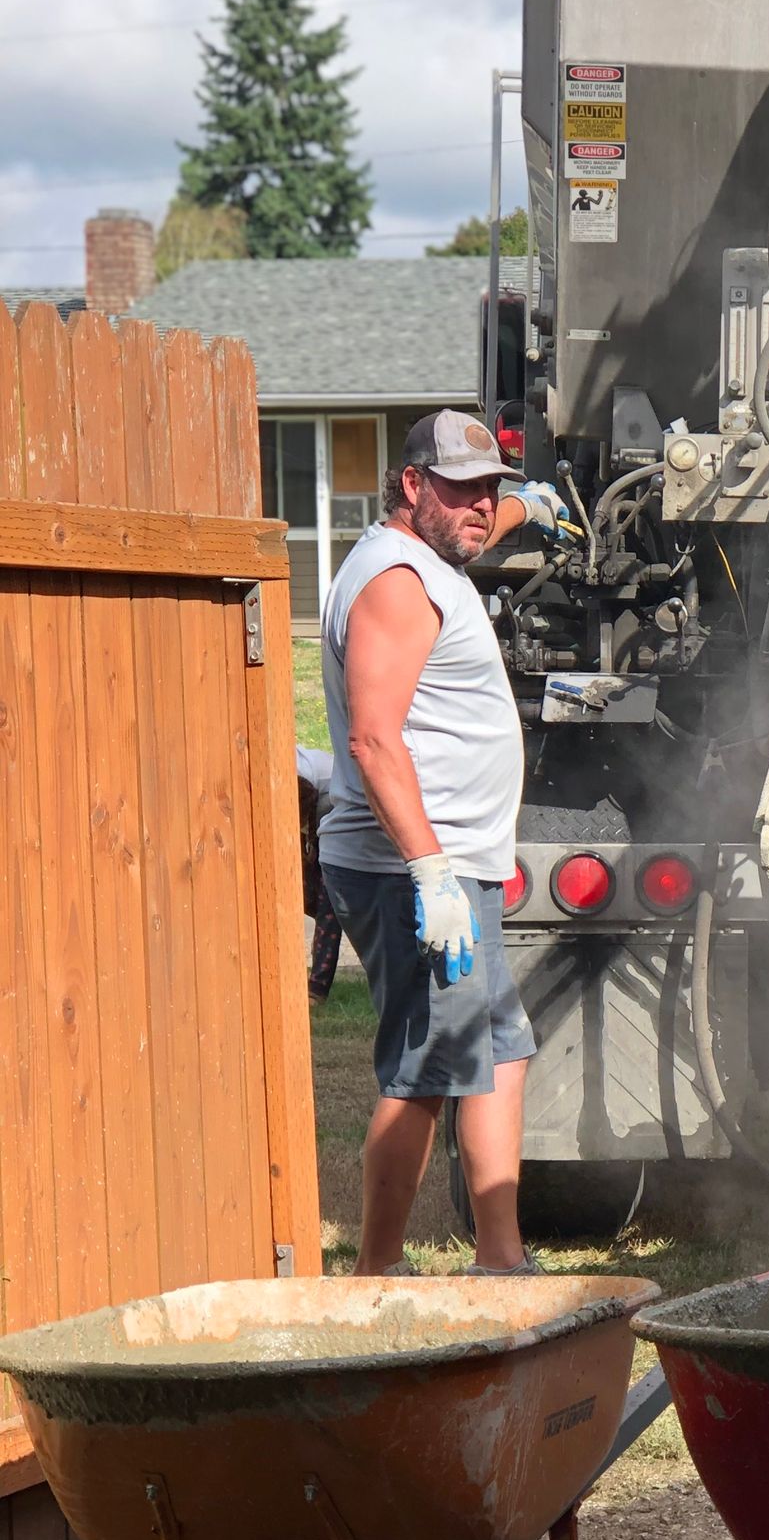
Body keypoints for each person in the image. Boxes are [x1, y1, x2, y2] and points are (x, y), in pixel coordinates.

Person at [318, 410, 578, 1275]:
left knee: (501, 1052)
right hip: (412, 869)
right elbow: (373, 740)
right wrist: (430, 873)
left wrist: (531, 506)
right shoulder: (397, 581)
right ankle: (376, 1274)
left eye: (489, 487)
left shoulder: (433, 542)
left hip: (457, 863)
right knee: (427, 1072)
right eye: (461, 486)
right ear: (411, 485)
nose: (479, 505)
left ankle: (501, 1258)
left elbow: (482, 519)